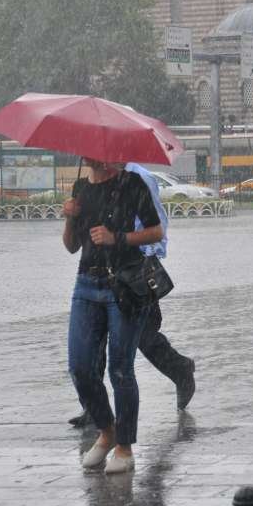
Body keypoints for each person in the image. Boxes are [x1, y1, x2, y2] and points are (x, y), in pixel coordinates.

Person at [69, 163, 196, 428]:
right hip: (101, 276)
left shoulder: (138, 178)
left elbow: (156, 225)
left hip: (134, 274)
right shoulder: (86, 184)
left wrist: (137, 258)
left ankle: (179, 368)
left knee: (145, 338)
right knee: (96, 341)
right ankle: (93, 407)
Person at [63, 159, 164, 474]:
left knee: (120, 369)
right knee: (80, 368)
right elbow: (70, 246)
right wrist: (69, 219)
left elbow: (156, 231)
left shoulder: (131, 183)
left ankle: (124, 446)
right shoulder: (81, 188)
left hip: (123, 284)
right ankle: (106, 431)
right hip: (86, 284)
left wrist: (116, 238)